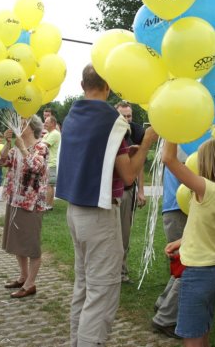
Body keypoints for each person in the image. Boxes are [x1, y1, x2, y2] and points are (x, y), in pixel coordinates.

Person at [56, 64, 158, 347]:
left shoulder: (73, 115)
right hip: (99, 214)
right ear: (109, 86)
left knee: (84, 285)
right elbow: (128, 176)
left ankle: (77, 341)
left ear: (81, 85)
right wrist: (147, 141)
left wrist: (126, 151)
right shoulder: (112, 120)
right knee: (102, 290)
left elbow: (98, 156)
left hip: (75, 210)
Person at [160, 138, 215, 346]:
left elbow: (168, 158)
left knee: (192, 338)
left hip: (197, 274)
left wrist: (170, 130)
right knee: (202, 332)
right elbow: (204, 226)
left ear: (208, 162)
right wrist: (181, 241)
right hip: (213, 270)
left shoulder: (207, 189)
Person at [0, 115, 49, 299]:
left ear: (32, 127)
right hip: (15, 199)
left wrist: (21, 147)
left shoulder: (41, 147)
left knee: (31, 244)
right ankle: (23, 276)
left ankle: (31, 284)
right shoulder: (17, 147)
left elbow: (36, 167)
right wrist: (7, 143)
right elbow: (2, 161)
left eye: (22, 123)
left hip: (31, 202)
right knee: (18, 242)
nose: (18, 125)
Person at [151, 147, 188, 340]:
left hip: (177, 208)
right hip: (179, 209)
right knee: (187, 268)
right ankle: (165, 318)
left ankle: (163, 303)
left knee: (181, 266)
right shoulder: (184, 143)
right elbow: (186, 173)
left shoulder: (182, 139)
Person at [114, 101, 146, 283]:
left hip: (127, 191)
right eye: (123, 116)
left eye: (129, 116)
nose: (126, 119)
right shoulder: (111, 132)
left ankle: (122, 272)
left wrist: (140, 190)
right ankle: (110, 271)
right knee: (109, 234)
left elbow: (138, 163)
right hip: (111, 193)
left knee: (124, 234)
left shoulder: (134, 132)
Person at [41, 116, 61, 210]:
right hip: (47, 163)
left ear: (53, 123)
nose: (44, 124)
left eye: (46, 122)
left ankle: (48, 205)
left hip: (52, 163)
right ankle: (49, 205)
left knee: (50, 185)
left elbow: (43, 145)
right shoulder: (47, 134)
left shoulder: (55, 134)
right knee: (48, 185)